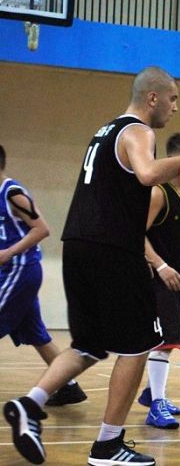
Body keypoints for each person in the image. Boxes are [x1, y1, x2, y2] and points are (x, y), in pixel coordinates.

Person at [2, 66, 180, 466]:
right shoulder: (138, 131)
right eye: (172, 99)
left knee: (87, 345)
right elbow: (148, 174)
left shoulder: (104, 131)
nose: (174, 108)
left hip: (78, 244)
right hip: (112, 248)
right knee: (141, 345)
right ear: (152, 97)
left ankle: (29, 405)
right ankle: (107, 445)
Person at [0, 144, 87, 407]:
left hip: (21, 268)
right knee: (37, 334)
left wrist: (8, 252)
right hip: (12, 270)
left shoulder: (13, 193)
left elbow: (42, 229)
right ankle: (68, 386)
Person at [136, 132, 180, 429]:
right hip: (153, 277)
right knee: (163, 341)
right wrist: (161, 267)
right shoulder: (159, 193)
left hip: (172, 276)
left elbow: (179, 244)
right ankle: (156, 405)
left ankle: (152, 392)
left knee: (170, 338)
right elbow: (136, 234)